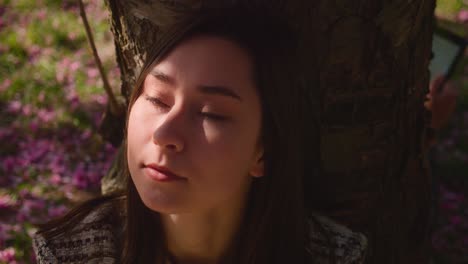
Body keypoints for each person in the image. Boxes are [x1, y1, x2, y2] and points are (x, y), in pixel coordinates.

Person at [33, 9, 367, 264]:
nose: (165, 134)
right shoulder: (75, 254)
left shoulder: (332, 256)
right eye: (157, 99)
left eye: (211, 114)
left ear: (263, 152)